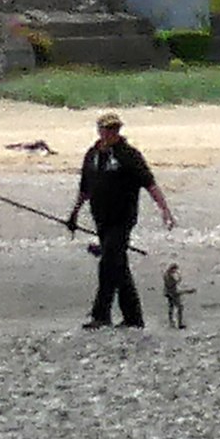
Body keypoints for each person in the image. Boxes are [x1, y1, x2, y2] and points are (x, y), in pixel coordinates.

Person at [67, 112, 176, 330]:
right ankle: (133, 317)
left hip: (123, 219)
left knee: (108, 262)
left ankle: (101, 315)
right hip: (101, 219)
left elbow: (149, 183)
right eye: (108, 129)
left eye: (115, 129)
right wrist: (74, 214)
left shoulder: (129, 155)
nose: (112, 133)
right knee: (118, 265)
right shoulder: (92, 155)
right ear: (100, 131)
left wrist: (165, 210)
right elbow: (85, 188)